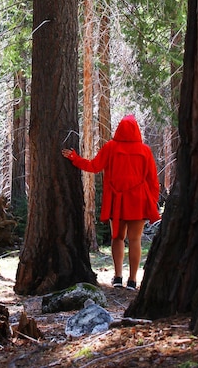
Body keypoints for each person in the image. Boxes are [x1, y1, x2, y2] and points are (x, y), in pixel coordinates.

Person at [62, 114, 160, 290]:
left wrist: (74, 158)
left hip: (118, 200)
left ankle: (117, 276)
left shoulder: (110, 147)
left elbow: (94, 166)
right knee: (135, 239)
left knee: (117, 237)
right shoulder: (145, 150)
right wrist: (151, 201)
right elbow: (153, 180)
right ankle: (132, 280)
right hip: (138, 201)